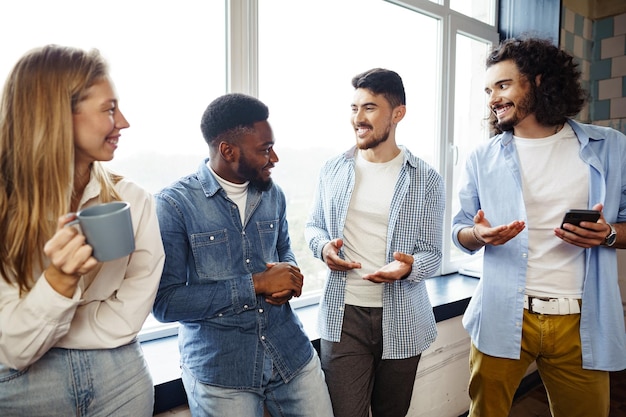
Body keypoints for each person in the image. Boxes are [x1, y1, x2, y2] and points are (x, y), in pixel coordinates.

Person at [452, 37, 626, 417]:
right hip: (502, 312)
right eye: (487, 90)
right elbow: (460, 230)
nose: (492, 98)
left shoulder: (611, 147)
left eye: (503, 85)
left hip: (581, 320)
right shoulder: (482, 158)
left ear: (540, 82)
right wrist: (478, 235)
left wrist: (608, 234)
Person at [0, 45, 165, 416]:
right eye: (109, 109)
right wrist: (60, 279)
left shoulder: (133, 200)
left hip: (120, 376)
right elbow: (14, 351)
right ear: (58, 115)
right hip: (18, 384)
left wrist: (49, 329)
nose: (123, 122)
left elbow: (131, 312)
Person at [152, 93, 333, 417]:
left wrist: (289, 274)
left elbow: (283, 249)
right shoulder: (174, 204)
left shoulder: (273, 194)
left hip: (290, 353)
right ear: (228, 150)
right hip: (222, 370)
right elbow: (166, 303)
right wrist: (257, 284)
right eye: (264, 149)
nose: (274, 157)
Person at [305, 68, 445, 417]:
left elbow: (434, 254)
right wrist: (323, 248)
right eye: (354, 108)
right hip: (343, 316)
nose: (358, 118)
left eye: (369, 108)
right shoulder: (332, 169)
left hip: (402, 317)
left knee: (391, 413)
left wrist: (409, 266)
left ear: (397, 114)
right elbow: (313, 227)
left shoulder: (426, 179)